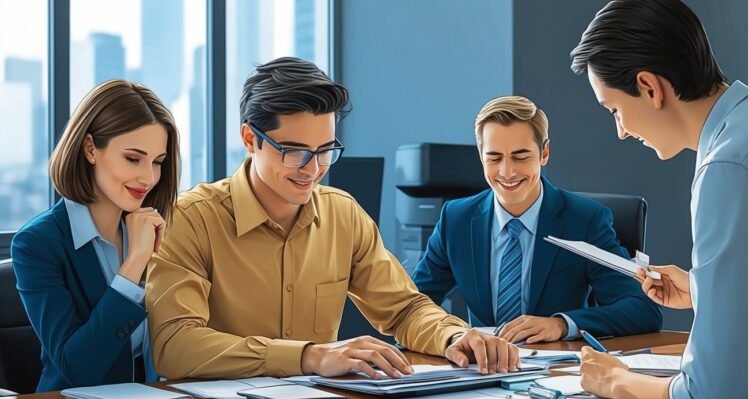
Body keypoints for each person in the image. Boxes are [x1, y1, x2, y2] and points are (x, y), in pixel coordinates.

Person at [146, 57, 517, 381]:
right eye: (294, 151)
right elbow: (174, 345)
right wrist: (309, 356)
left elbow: (404, 309)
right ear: (249, 139)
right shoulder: (191, 219)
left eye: (325, 150)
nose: (312, 169)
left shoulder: (343, 214)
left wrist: (453, 336)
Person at [571, 0, 748, 399]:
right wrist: (703, 291)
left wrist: (614, 379)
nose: (621, 131)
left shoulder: (727, 167)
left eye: (614, 109)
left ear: (649, 87)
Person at [412, 96, 661, 344]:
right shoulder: (456, 220)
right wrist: (453, 336)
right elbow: (412, 307)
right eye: (494, 158)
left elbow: (642, 310)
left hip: (559, 364)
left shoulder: (585, 220)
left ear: (545, 153)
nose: (507, 172)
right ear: (480, 155)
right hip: (482, 364)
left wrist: (562, 324)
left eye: (520, 157)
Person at [11, 80, 180, 392]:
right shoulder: (37, 244)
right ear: (90, 148)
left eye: (157, 162)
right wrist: (134, 265)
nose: (148, 177)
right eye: (133, 158)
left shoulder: (157, 228)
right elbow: (77, 368)